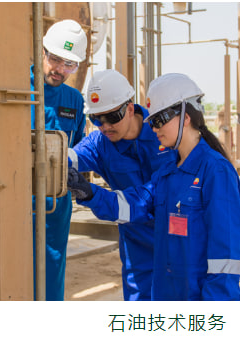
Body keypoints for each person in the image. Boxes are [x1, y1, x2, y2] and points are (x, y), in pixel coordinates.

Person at [68, 73, 240, 301]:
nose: (154, 128)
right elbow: (135, 203)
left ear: (185, 116)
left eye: (159, 120)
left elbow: (226, 254)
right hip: (164, 277)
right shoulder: (167, 172)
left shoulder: (215, 171)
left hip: (194, 286)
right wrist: (90, 193)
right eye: (152, 122)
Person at [69, 69, 175, 301]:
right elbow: (70, 158)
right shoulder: (100, 143)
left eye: (111, 117)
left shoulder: (165, 135)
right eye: (96, 119)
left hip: (176, 242)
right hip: (136, 248)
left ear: (129, 108)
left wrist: (93, 195)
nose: (105, 126)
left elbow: (152, 199)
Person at [31, 19, 87, 300]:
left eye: (70, 65)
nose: (61, 70)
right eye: (56, 59)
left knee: (53, 267)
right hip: (19, 200)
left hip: (56, 203)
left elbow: (79, 149)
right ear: (42, 51)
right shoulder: (17, 89)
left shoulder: (74, 100)